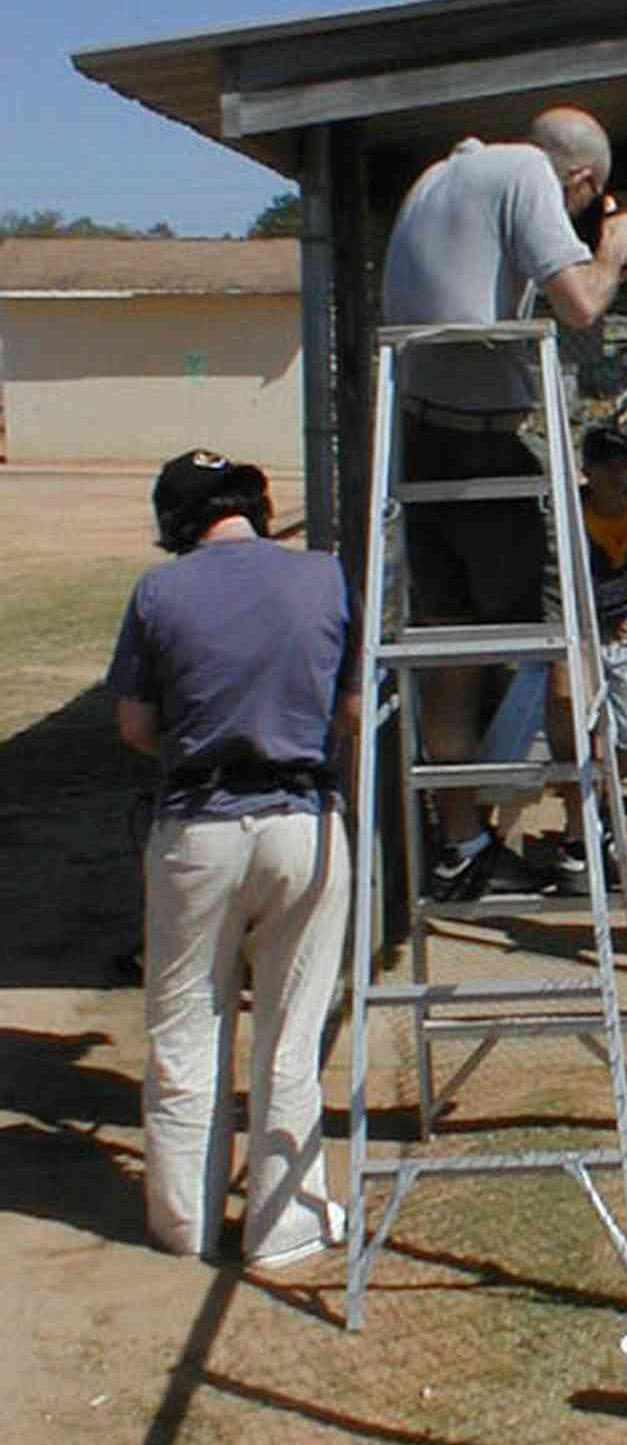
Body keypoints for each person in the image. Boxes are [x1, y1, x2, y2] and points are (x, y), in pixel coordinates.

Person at [380, 108, 627, 900]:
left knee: (453, 655)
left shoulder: (438, 176)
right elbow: (579, 304)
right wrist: (611, 249)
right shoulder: (530, 174)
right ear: (583, 182)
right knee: (569, 645)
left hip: (421, 442)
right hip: (490, 444)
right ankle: (582, 843)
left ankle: (461, 842)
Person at [107, 451, 359, 1269]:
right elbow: (353, 705)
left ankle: (182, 1222)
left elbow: (137, 729)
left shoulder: (160, 592)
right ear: (253, 505)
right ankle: (280, 1228)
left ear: (179, 519)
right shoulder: (326, 577)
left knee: (184, 1029)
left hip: (198, 827)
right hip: (304, 820)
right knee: (290, 1036)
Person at [549, 425, 627, 892]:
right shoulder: (571, 517)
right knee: (586, 739)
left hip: (621, 641)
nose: (617, 473)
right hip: (580, 641)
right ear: (587, 469)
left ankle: (603, 813)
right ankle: (583, 837)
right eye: (607, 464)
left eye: (623, 464)